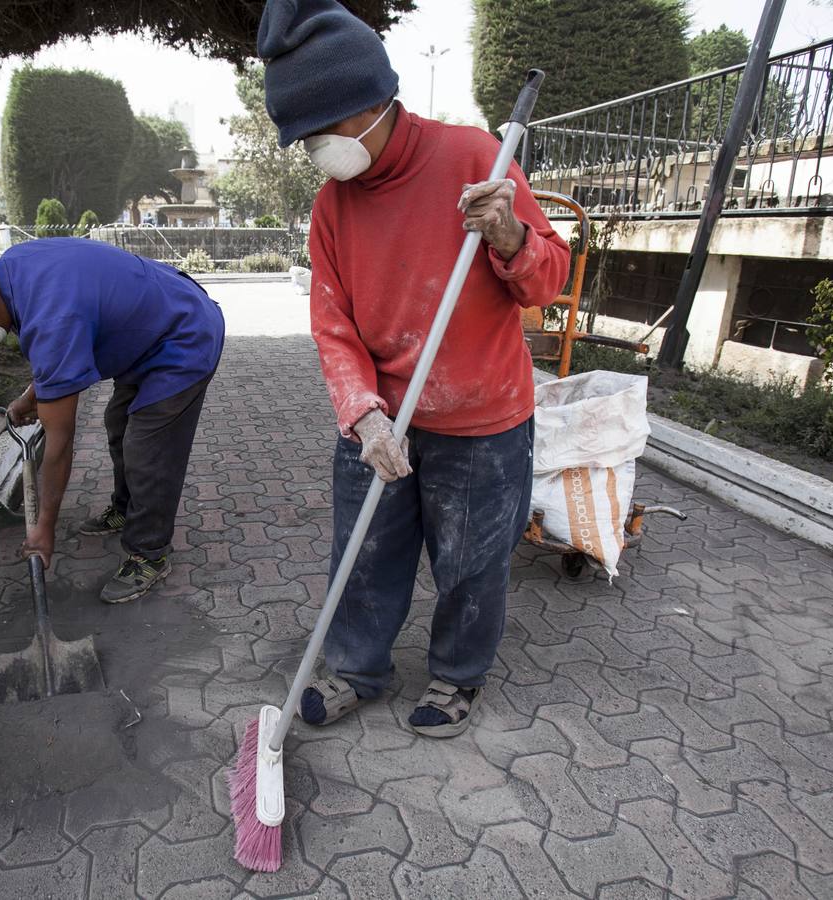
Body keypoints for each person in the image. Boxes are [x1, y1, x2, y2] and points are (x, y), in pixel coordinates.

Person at [258, 0, 571, 737]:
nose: (313, 149)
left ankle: (457, 676)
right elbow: (332, 322)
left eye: (317, 130)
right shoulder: (333, 205)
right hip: (380, 419)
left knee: (470, 565)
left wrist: (509, 235)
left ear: (368, 103)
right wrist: (361, 412)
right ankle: (359, 669)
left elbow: (546, 281)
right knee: (363, 555)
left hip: (482, 421)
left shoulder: (476, 161)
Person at [0, 239, 224, 604]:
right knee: (118, 422)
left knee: (147, 448)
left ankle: (149, 552)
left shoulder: (48, 311)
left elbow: (59, 442)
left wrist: (44, 528)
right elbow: (57, 350)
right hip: (149, 331)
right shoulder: (14, 270)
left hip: (184, 335)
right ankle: (125, 507)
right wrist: (30, 397)